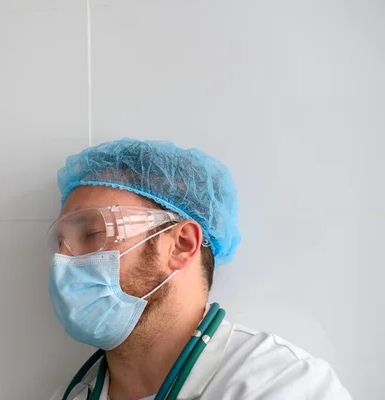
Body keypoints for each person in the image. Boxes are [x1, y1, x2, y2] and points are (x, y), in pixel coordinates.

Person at [46, 138, 351, 400]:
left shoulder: (283, 384)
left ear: (182, 244)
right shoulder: (70, 394)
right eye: (61, 241)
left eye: (92, 234)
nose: (64, 259)